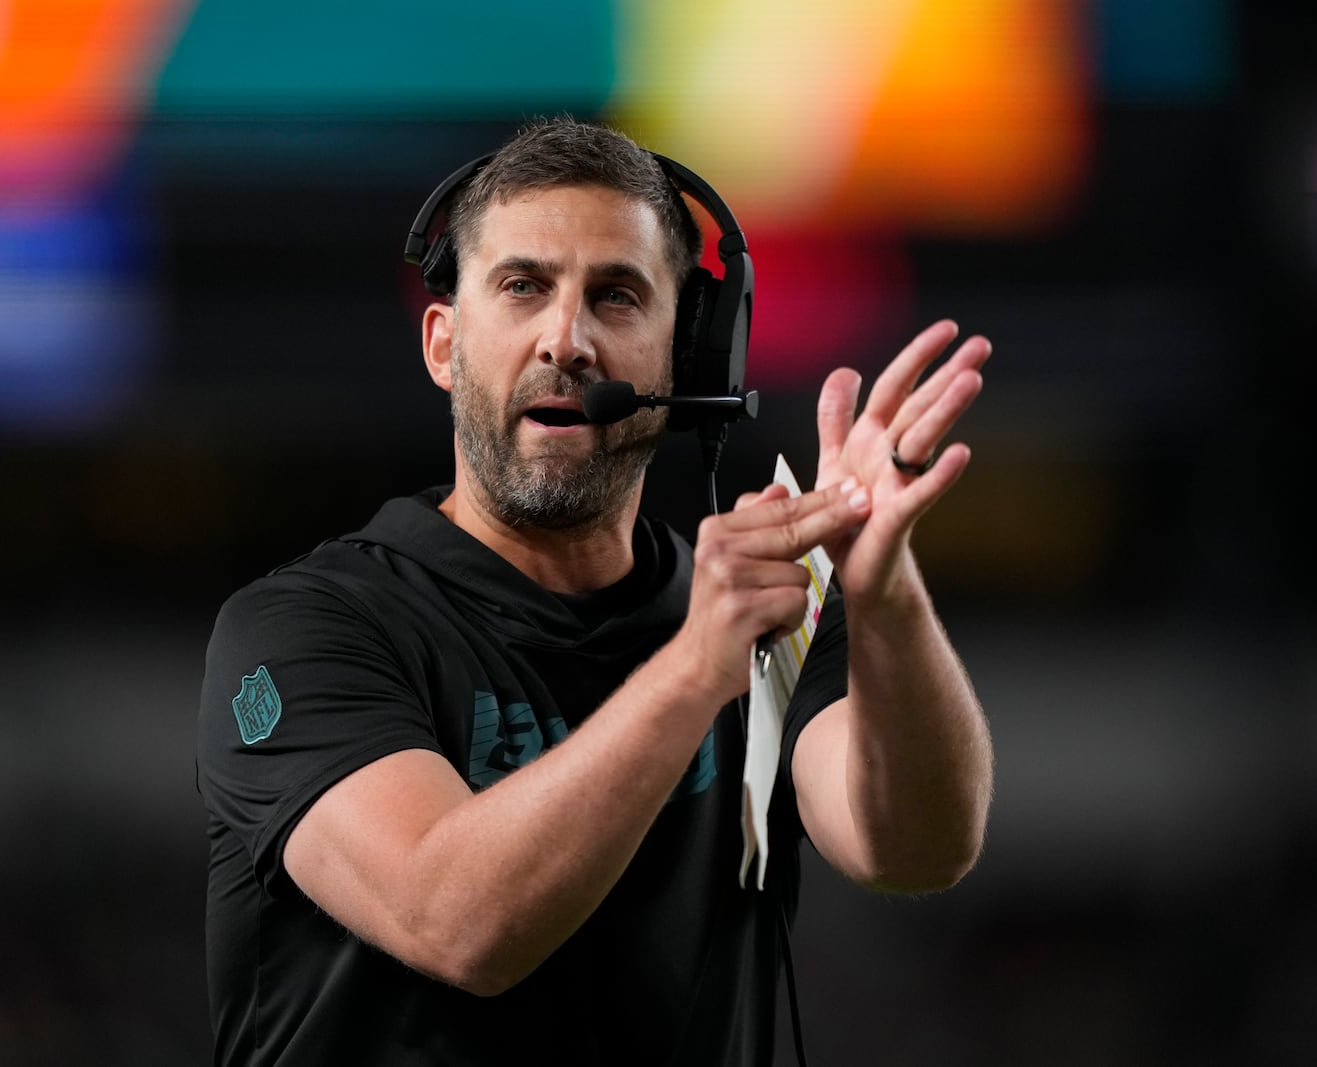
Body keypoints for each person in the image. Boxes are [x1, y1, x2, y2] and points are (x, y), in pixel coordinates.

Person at [196, 116, 994, 1067]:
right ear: (444, 345)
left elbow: (914, 849)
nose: (565, 341)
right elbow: (457, 921)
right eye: (523, 286)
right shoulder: (303, 628)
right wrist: (698, 667)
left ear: (685, 359)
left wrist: (885, 592)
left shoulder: (761, 614)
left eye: (616, 296)